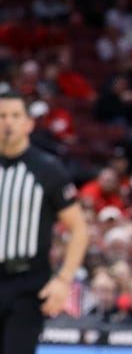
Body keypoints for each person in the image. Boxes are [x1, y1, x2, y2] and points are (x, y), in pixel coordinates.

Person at [0, 88, 89, 353]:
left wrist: (63, 281)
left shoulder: (48, 170)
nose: (8, 122)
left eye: (15, 115)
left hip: (26, 283)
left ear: (29, 123)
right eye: (2, 115)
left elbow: (79, 230)